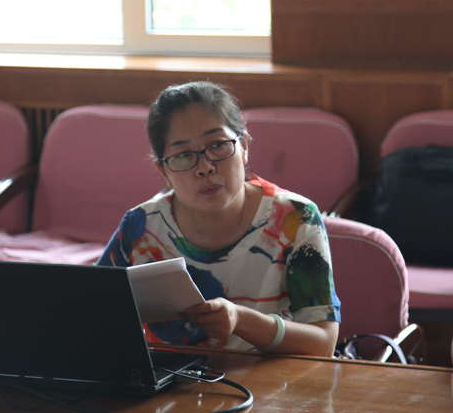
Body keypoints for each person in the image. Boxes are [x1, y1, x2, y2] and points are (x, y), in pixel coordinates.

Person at [97, 81, 340, 357]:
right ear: (163, 171)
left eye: (218, 145)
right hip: (166, 381)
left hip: (267, 380)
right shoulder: (141, 226)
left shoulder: (295, 219)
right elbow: (92, 312)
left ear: (244, 146)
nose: (205, 167)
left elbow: (324, 342)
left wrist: (241, 320)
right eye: (183, 155)